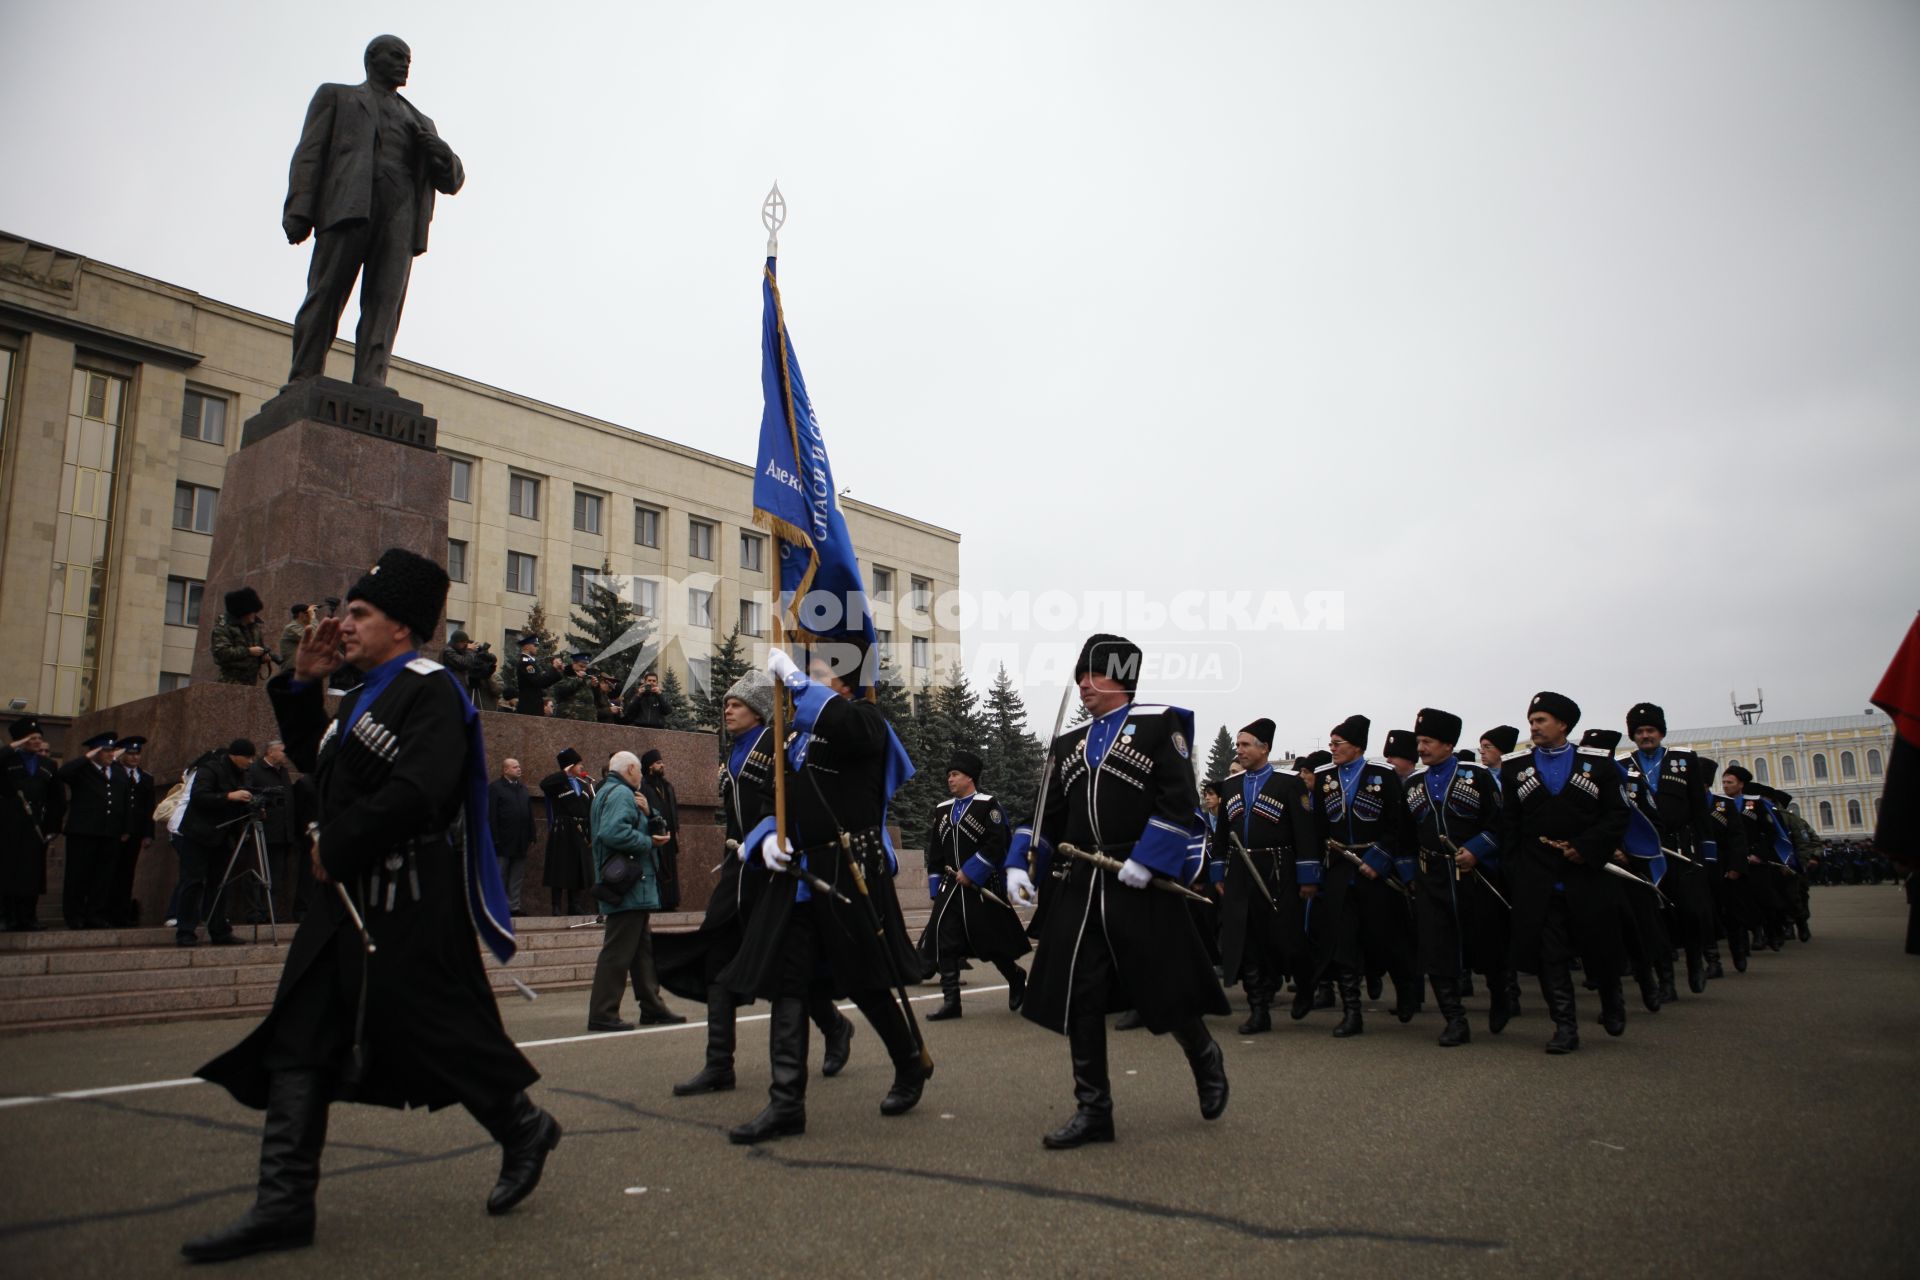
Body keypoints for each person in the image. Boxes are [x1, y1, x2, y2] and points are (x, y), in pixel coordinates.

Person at [185, 547, 553, 1262]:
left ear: (402, 627)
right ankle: (284, 1204)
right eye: (344, 612)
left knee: (441, 1032)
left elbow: (420, 790)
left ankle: (523, 1127)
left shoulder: (431, 689)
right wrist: (302, 683)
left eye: (359, 614)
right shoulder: (357, 696)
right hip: (348, 897)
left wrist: (342, 841)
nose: (341, 626)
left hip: (407, 895)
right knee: (302, 1036)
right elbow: (320, 768)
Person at [1006, 634, 1228, 1150]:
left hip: (1138, 878)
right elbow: (1046, 814)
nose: (1084, 683)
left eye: (1095, 674)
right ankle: (1094, 1110)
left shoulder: (1157, 726)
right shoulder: (1069, 744)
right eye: (1081, 674)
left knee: (1164, 987)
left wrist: (1149, 858)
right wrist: (1022, 863)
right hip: (1084, 883)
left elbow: (1179, 802)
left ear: (1122, 678)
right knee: (1081, 994)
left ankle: (1204, 1054)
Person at [717, 641, 926, 1145]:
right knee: (791, 983)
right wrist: (766, 837)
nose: (802, 681)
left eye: (816, 673)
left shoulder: (868, 722)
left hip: (847, 868)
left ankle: (909, 1063)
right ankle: (786, 1102)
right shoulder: (795, 736)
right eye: (803, 673)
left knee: (866, 981)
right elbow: (772, 798)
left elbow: (851, 732)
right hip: (798, 877)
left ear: (846, 684)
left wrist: (793, 680)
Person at [656, 670, 855, 1097]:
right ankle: (718, 1065)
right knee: (717, 962)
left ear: (760, 710)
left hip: (774, 872)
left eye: (738, 704)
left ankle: (836, 1027)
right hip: (739, 871)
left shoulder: (776, 743)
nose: (727, 709)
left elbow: (794, 800)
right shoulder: (732, 753)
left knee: (787, 967)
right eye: (726, 703)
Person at [282, 35, 465, 389]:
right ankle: (305, 373)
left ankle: (371, 376)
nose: (405, 64)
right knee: (326, 292)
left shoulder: (421, 121)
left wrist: (441, 151)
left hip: (401, 213)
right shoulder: (337, 96)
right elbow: (309, 154)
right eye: (397, 56)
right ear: (371, 58)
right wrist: (299, 211)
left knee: (385, 301)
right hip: (349, 206)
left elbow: (453, 180)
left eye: (408, 59)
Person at [1499, 692, 1630, 1054]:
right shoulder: (1515, 767)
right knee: (1549, 954)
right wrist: (1515, 869)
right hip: (1537, 876)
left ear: (1563, 725)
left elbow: (1617, 815)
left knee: (1598, 944)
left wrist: (1586, 848)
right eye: (1532, 720)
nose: (1534, 727)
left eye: (1541, 720)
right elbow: (1509, 823)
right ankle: (1565, 1026)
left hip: (1585, 871)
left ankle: (1612, 1000)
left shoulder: (1599, 764)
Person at [1403, 709, 1511, 1046]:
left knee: (1487, 942)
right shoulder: (1413, 784)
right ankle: (1454, 1018)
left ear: (1448, 744)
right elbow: (1404, 835)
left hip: (1475, 874)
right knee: (1436, 948)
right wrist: (1409, 873)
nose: (1421, 748)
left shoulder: (1476, 777)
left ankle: (1501, 995)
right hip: (1431, 875)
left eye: (1428, 741)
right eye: (1419, 741)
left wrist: (1478, 849)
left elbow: (1502, 824)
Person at [1310, 714, 1419, 1035]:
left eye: (1337, 743)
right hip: (1341, 869)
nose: (1332, 749)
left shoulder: (1382, 775)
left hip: (1376, 871)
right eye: (1330, 743)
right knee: (1343, 941)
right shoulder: (1325, 777)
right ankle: (1352, 1012)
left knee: (1385, 937)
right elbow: (1318, 826)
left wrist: (1380, 858)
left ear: (1357, 747)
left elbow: (1398, 824)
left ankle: (1406, 988)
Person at [1212, 719, 1318, 1034]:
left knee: (1288, 939)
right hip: (1241, 873)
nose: (1239, 750)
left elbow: (1305, 833)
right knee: (1248, 943)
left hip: (1278, 870)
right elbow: (1221, 835)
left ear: (1264, 748)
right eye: (1238, 745)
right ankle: (1259, 1010)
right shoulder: (1230, 785)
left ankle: (1307, 984)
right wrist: (1218, 869)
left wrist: (1308, 876)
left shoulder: (1289, 784)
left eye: (1245, 745)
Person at [919, 749, 1030, 1020]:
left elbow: (998, 843)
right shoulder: (942, 810)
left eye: (955, 774)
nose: (950, 779)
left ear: (970, 777)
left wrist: (972, 871)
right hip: (950, 888)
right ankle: (951, 1002)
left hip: (981, 887)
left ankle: (1015, 977)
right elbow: (936, 852)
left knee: (991, 943)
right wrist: (935, 886)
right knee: (944, 941)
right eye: (948, 775)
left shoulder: (987, 805)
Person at [584, 751, 686, 1031]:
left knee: (642, 953)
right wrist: (648, 842)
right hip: (629, 885)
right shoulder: (620, 794)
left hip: (633, 887)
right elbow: (612, 833)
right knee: (618, 951)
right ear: (630, 768)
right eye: (639, 770)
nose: (641, 775)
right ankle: (603, 1013)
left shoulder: (613, 792)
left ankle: (652, 1007)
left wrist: (648, 813)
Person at [1621, 703, 1717, 994]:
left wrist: (1708, 853)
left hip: (1681, 851)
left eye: (1650, 730)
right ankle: (1666, 980)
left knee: (1690, 912)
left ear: (1661, 732)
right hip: (1645, 855)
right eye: (1639, 732)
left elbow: (1701, 811)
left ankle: (1694, 964)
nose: (1645, 736)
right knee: (1654, 918)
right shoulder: (1624, 766)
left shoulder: (1683, 761)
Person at [1582, 728, 1666, 1014]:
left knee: (1639, 928)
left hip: (1632, 868)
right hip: (1597, 865)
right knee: (1601, 934)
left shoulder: (1631, 781)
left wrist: (1627, 852)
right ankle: (1612, 997)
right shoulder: (1582, 782)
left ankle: (1650, 981)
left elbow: (1651, 824)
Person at [174, 740, 254, 947]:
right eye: (248, 757)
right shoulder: (210, 769)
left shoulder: (241, 773)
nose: (250, 762)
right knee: (193, 882)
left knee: (219, 884)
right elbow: (200, 797)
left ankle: (219, 930)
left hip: (223, 836)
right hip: (198, 836)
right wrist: (229, 796)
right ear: (236, 755)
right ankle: (185, 931)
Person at [56, 732, 125, 929]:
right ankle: (74, 915)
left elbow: (123, 801)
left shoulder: (117, 771)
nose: (111, 754)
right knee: (78, 876)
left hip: (109, 832)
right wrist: (86, 758)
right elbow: (62, 774)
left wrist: (124, 828)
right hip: (83, 832)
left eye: (112, 750)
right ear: (94, 752)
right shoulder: (82, 770)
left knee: (102, 878)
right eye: (106, 751)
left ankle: (95, 914)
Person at [1, 716, 58, 931]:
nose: (37, 741)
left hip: (36, 828)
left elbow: (56, 800)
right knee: (8, 872)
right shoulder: (9, 761)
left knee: (32, 874)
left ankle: (29, 916)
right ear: (21, 740)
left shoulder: (48, 764)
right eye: (32, 738)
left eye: (39, 737)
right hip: (9, 825)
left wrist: (53, 827)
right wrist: (12, 747)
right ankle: (7, 916)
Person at [245, 740, 298, 923]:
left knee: (277, 874)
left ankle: (271, 912)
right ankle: (256, 911)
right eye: (283, 751)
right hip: (262, 831)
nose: (286, 755)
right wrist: (264, 798)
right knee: (258, 872)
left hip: (282, 831)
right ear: (270, 751)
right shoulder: (255, 770)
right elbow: (248, 793)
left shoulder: (282, 771)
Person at [540, 749, 596, 916]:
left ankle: (574, 904)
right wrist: (563, 772)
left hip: (580, 832)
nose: (582, 766)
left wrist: (591, 834)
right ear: (570, 765)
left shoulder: (583, 785)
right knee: (559, 868)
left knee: (577, 868)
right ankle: (556, 905)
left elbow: (591, 810)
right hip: (563, 831)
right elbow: (544, 784)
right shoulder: (558, 784)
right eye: (578, 764)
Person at [112, 737, 158, 926]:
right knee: (110, 873)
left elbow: (149, 808)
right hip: (116, 832)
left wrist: (148, 833)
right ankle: (106, 912)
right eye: (130, 754)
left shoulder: (146, 777)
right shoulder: (115, 773)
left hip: (136, 832)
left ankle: (121, 914)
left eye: (137, 754)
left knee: (127, 873)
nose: (134, 758)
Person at [488, 758, 533, 915]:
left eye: (519, 766)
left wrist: (531, 834)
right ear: (505, 770)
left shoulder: (522, 789)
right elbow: (491, 815)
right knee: (500, 874)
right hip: (502, 840)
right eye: (515, 767)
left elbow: (528, 813)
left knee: (516, 876)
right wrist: (494, 838)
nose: (519, 769)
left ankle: (513, 906)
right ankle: (497, 906)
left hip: (520, 840)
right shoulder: (495, 788)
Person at [639, 749, 682, 912]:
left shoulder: (667, 786)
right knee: (657, 865)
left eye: (661, 762)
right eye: (658, 763)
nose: (662, 765)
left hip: (669, 833)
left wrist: (676, 830)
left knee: (670, 866)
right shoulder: (644, 785)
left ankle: (671, 901)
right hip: (654, 833)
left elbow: (674, 810)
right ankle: (658, 901)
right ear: (650, 766)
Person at [211, 588, 273, 685]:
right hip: (230, 682)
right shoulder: (224, 628)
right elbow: (221, 653)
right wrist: (248, 651)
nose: (255, 614)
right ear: (243, 611)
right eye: (252, 611)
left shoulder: (254, 629)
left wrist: (262, 658)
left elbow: (256, 651)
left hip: (251, 682)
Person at [511, 633, 561, 716]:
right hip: (529, 707)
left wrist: (556, 671)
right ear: (527, 646)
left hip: (533, 706)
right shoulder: (526, 662)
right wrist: (554, 668)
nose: (537, 647)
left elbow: (543, 683)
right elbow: (539, 681)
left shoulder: (530, 662)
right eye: (535, 645)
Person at [280, 604, 312, 669]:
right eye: (307, 613)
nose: (310, 616)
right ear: (300, 614)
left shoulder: (303, 627)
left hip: (302, 668)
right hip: (292, 669)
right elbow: (311, 639)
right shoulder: (291, 627)